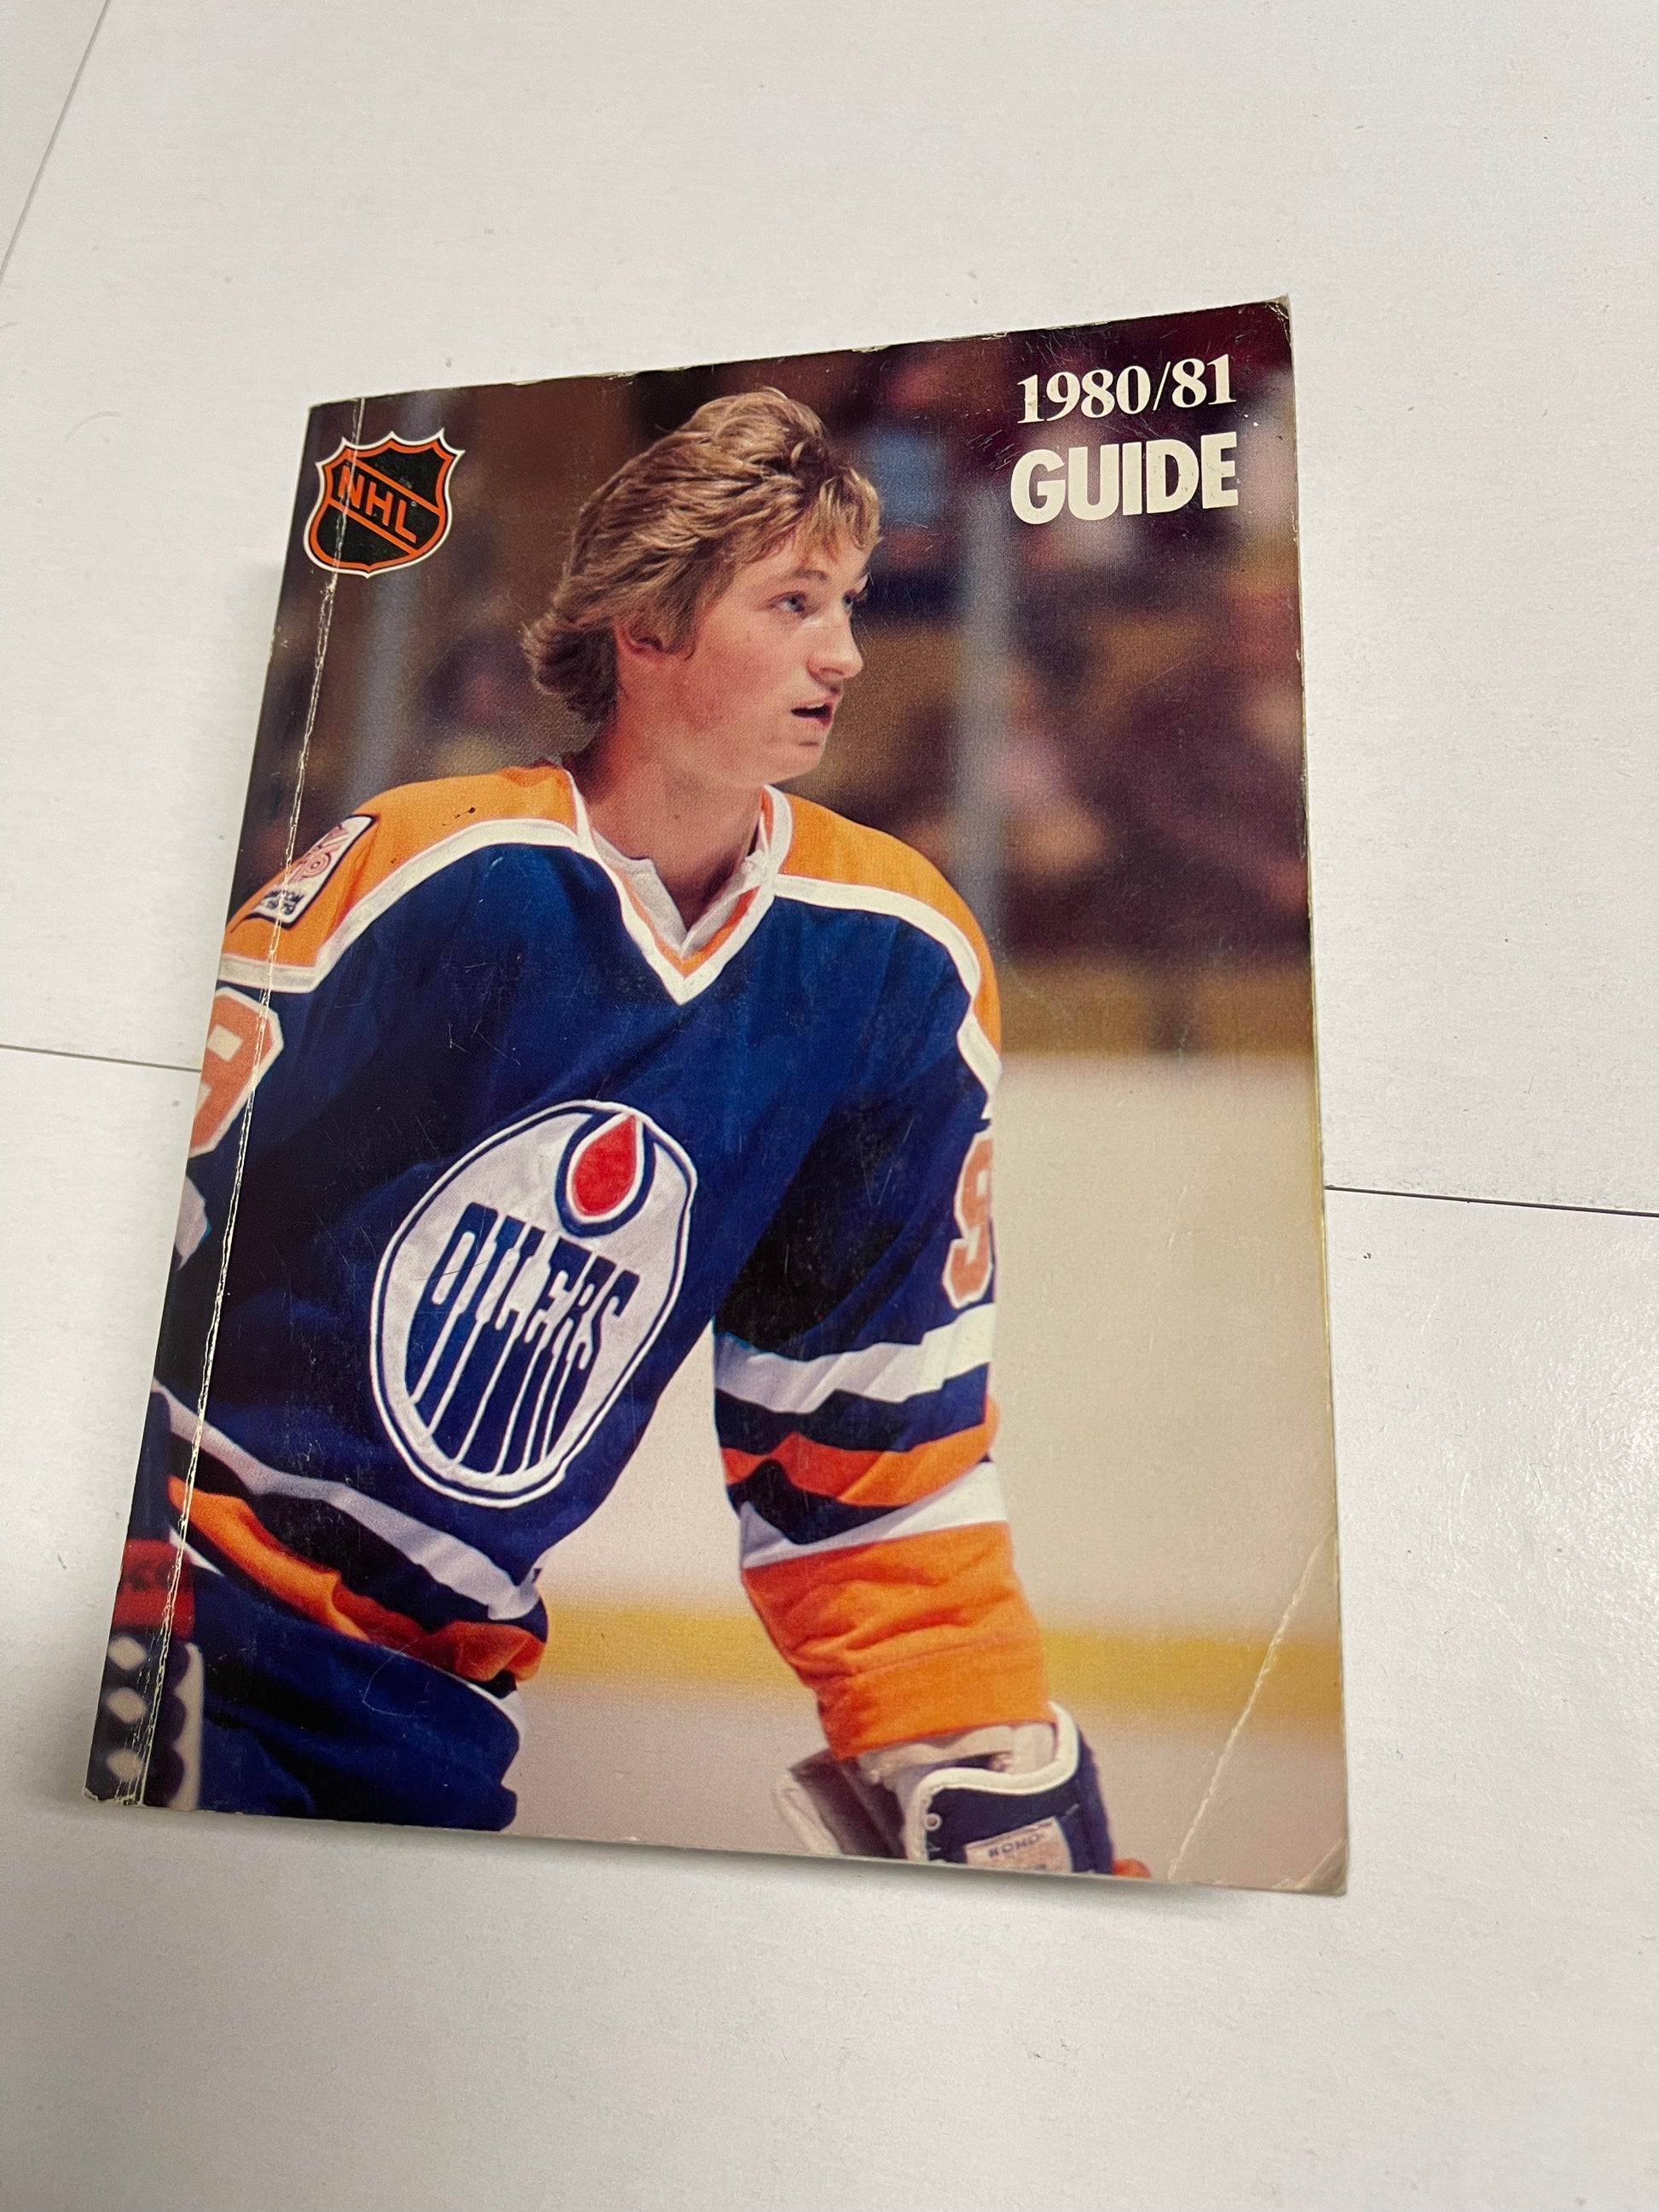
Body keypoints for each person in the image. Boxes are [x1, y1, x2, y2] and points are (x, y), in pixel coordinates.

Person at [88, 391, 1142, 1876]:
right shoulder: (437, 866)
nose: (844, 653)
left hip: (429, 1696)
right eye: (792, 603)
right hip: (180, 1600)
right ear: (647, 626)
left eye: (848, 604)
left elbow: (861, 1433)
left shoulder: (885, 963)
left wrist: (958, 1741)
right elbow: (116, 1205)